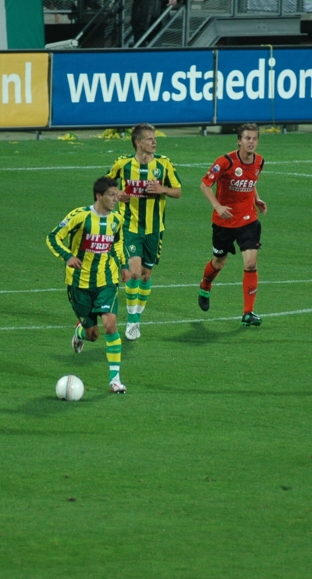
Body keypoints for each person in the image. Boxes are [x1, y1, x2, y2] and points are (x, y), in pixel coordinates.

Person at [46, 176, 131, 394]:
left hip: (107, 281)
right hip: (79, 283)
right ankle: (80, 333)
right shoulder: (80, 216)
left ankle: (115, 380)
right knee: (93, 334)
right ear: (98, 196)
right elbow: (54, 237)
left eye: (116, 194)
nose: (116, 199)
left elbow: (117, 242)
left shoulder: (116, 219)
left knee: (111, 326)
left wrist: (123, 265)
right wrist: (67, 256)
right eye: (111, 195)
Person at [107, 123, 181, 341]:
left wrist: (163, 190)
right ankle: (132, 320)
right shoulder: (123, 164)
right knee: (134, 273)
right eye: (149, 139)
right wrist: (117, 193)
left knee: (147, 276)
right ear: (138, 143)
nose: (154, 142)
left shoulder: (164, 164)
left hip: (154, 230)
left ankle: (138, 314)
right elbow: (106, 185)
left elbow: (178, 191)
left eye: (155, 138)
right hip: (130, 227)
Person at [196, 123, 267, 327]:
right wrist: (217, 206)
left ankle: (248, 313)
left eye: (254, 138)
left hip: (248, 221)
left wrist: (257, 199)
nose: (251, 142)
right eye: (247, 138)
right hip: (224, 222)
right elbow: (204, 184)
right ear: (239, 141)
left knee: (251, 263)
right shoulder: (225, 162)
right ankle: (205, 284)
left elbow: (251, 183)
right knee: (219, 263)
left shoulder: (260, 161)